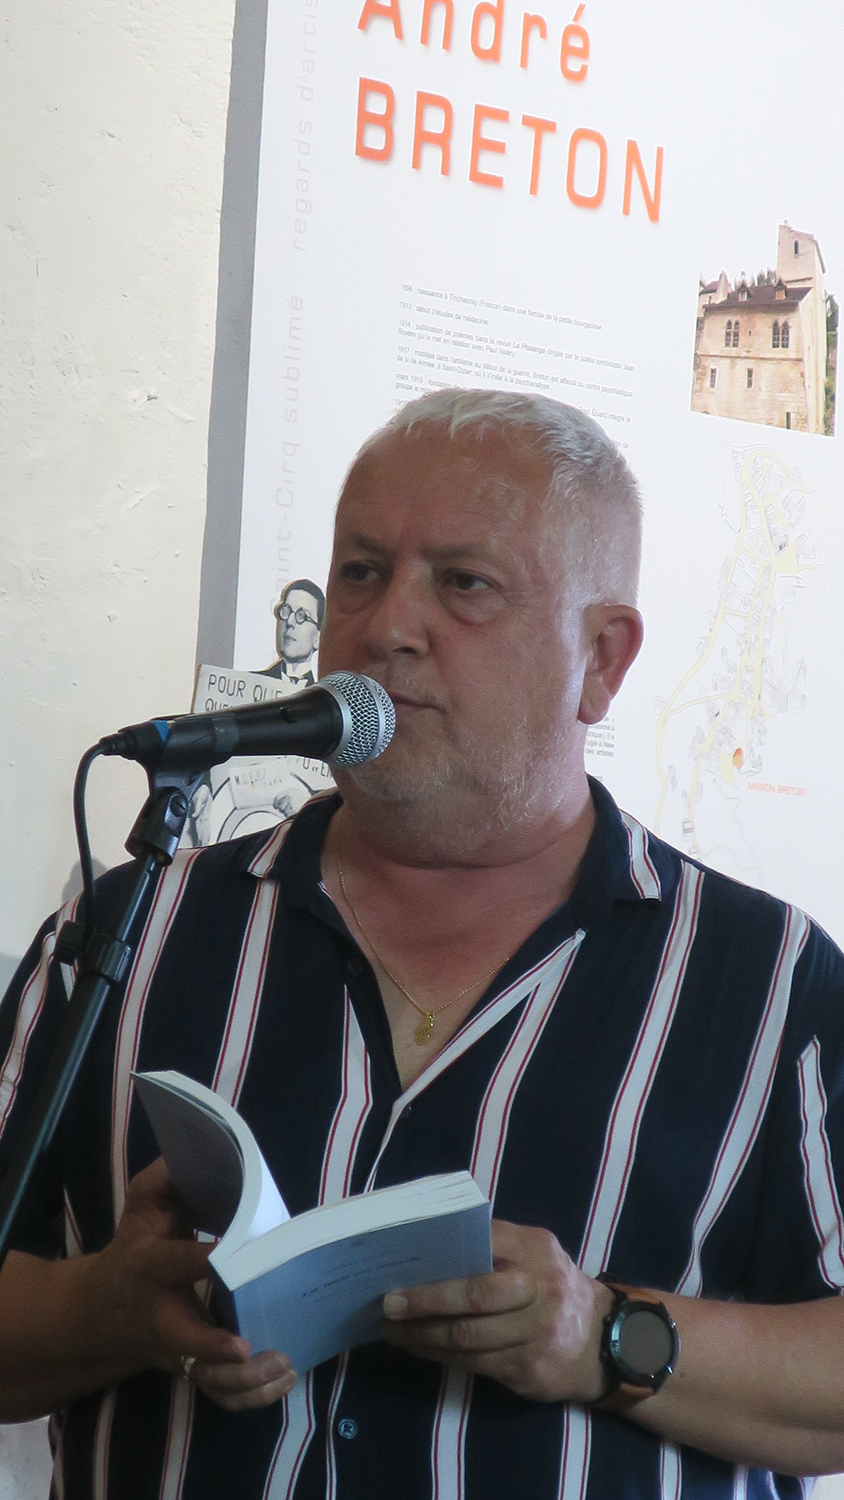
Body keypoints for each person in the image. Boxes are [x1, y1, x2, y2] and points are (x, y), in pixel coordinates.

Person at [1, 389, 843, 1500]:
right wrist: (107, 1311)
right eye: (360, 571)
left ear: (601, 659)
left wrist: (601, 1336)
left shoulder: (772, 982)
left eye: (463, 583)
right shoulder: (127, 932)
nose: (387, 626)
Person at [264, 578, 325, 687]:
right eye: (286, 611)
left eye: (302, 616)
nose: (289, 621)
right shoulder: (251, 683)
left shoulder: (326, 693)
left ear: (318, 638)